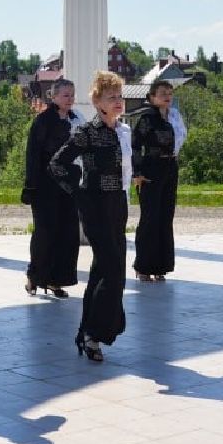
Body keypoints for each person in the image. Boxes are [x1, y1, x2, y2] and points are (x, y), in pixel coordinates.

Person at [48, 71, 132, 363]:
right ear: (97, 102)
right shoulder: (87, 131)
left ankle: (87, 333)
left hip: (117, 203)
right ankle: (97, 331)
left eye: (120, 96)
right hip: (95, 204)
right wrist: (79, 192)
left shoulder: (123, 131)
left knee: (103, 270)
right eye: (112, 97)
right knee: (112, 270)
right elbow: (57, 164)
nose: (118, 102)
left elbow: (125, 170)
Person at [21, 79, 83, 298]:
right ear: (54, 97)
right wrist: (31, 185)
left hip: (69, 185)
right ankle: (35, 276)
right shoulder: (43, 121)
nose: (70, 99)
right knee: (45, 233)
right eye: (65, 95)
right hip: (45, 184)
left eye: (72, 94)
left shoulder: (77, 119)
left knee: (67, 232)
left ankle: (58, 280)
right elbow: (33, 155)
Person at [132, 79, 181, 282]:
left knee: (165, 217)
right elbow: (135, 145)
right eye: (162, 92)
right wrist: (137, 172)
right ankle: (143, 266)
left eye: (169, 92)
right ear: (152, 97)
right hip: (150, 169)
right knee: (150, 218)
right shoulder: (147, 118)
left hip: (170, 168)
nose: (167, 96)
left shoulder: (173, 117)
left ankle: (161, 265)